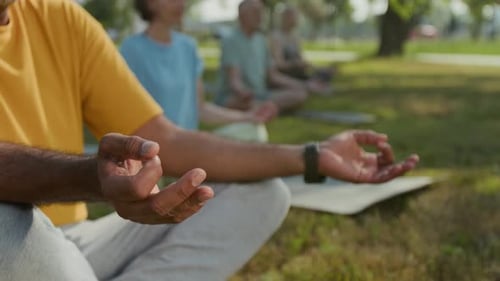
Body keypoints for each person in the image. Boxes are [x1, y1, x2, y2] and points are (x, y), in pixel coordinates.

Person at [0, 0, 419, 280]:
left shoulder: (61, 19)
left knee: (263, 195)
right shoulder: (135, 46)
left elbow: (166, 138)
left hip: (78, 237)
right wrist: (92, 178)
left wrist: (312, 155)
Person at [120, 0, 277, 131]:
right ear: (150, 3)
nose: (181, 3)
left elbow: (200, 109)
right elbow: (124, 115)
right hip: (149, 155)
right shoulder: (131, 50)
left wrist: (249, 116)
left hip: (187, 151)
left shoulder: (188, 47)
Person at [214, 0, 328, 113]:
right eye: (255, 12)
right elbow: (234, 81)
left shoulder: (261, 40)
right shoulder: (231, 40)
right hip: (237, 96)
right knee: (238, 102)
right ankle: (262, 108)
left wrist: (304, 85)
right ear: (242, 15)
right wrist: (244, 93)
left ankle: (262, 108)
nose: (260, 16)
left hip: (260, 94)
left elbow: (273, 76)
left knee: (299, 95)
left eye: (261, 12)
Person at [269, 6, 336, 89]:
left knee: (325, 74)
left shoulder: (295, 37)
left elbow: (302, 59)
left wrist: (319, 68)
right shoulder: (276, 37)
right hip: (287, 76)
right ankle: (313, 85)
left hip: (299, 73)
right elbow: (279, 64)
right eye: (294, 17)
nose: (297, 20)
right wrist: (295, 64)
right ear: (286, 18)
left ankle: (317, 81)